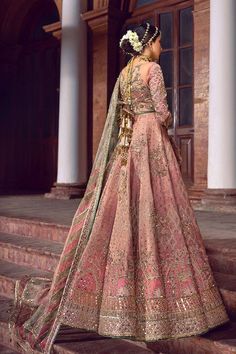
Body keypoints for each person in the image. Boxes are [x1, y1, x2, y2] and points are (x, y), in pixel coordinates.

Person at [9, 22, 229, 354]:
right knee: (160, 204)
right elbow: (164, 112)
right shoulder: (152, 69)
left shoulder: (125, 73)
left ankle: (117, 303)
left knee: (130, 203)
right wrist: (163, 124)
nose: (162, 48)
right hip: (151, 137)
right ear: (149, 44)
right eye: (159, 42)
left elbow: (122, 112)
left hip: (127, 147)